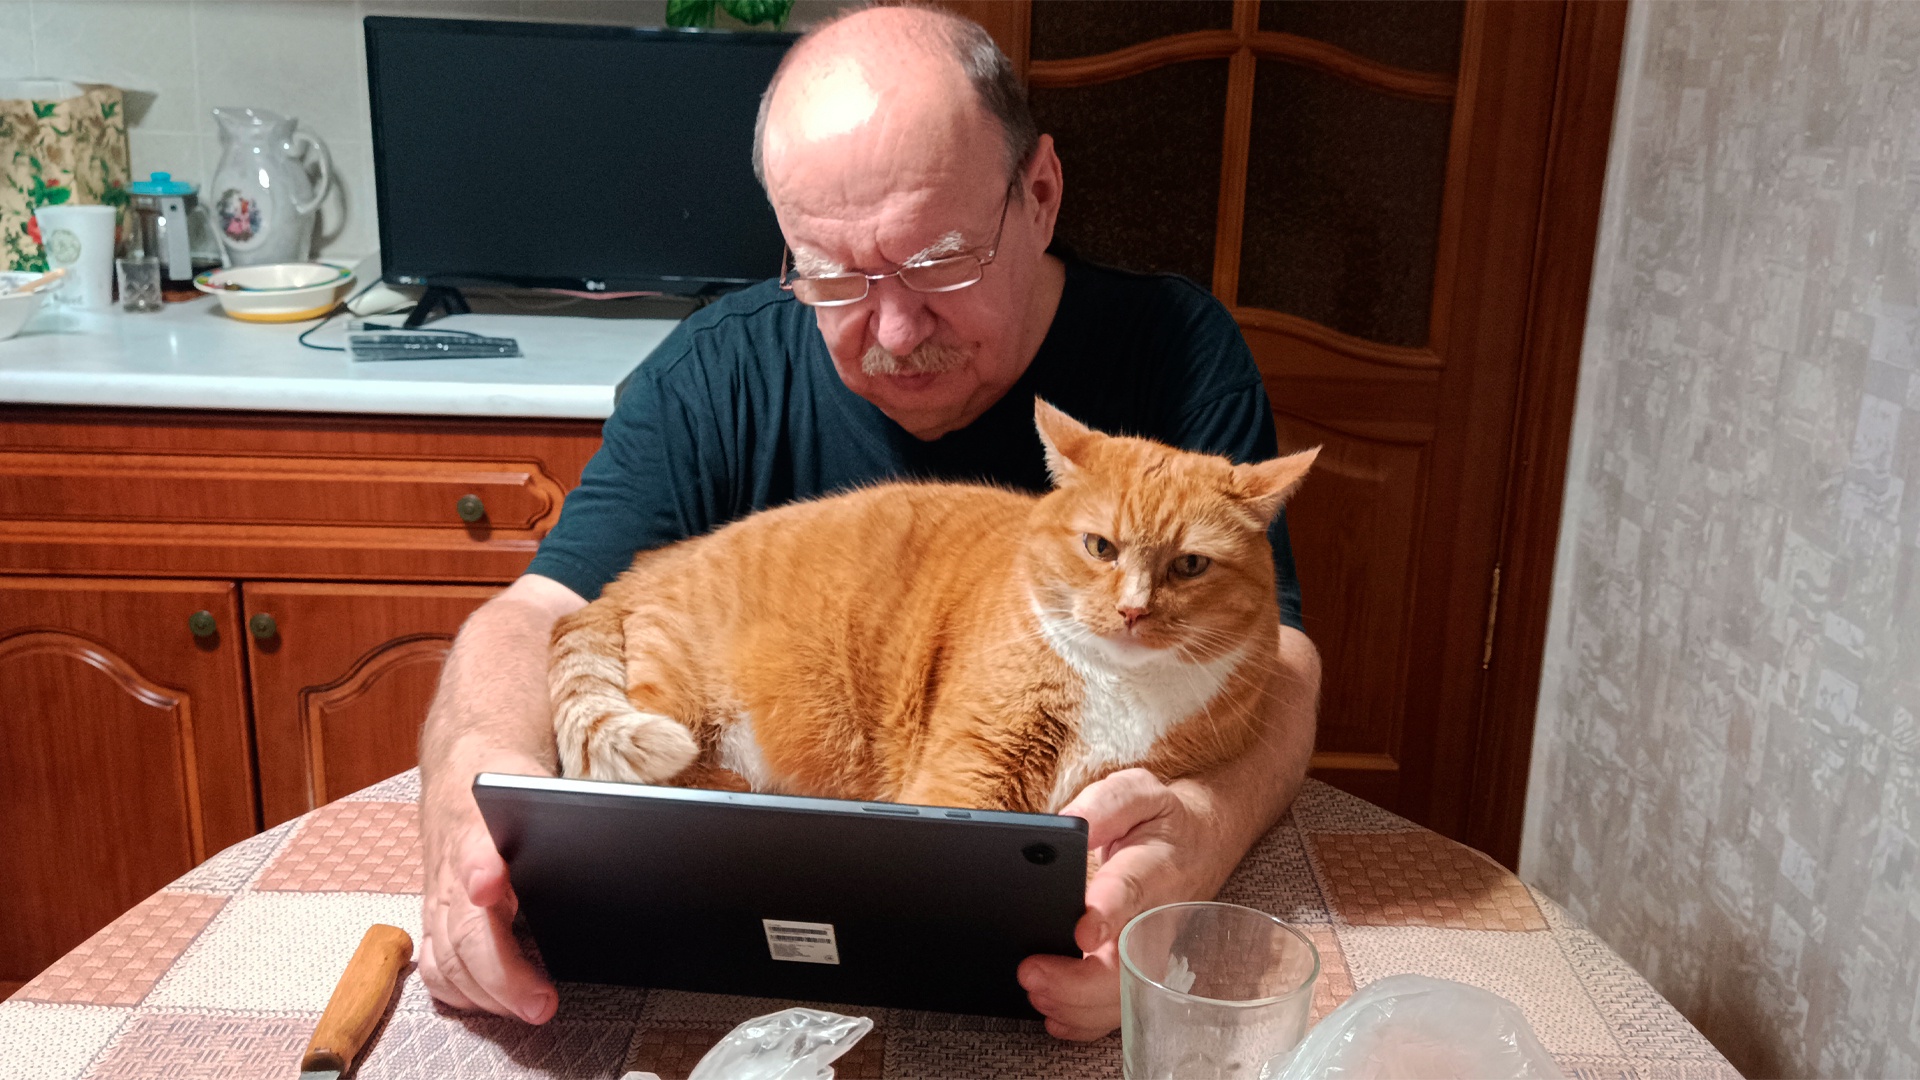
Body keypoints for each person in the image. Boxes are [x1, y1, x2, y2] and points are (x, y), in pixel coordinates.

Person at [417, 5, 1321, 1042]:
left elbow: (1283, 655)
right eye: (835, 276)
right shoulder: (715, 370)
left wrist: (1199, 836)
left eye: (939, 262)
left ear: (1038, 194)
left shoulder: (1173, 351)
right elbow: (538, 612)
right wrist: (472, 778)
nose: (893, 328)